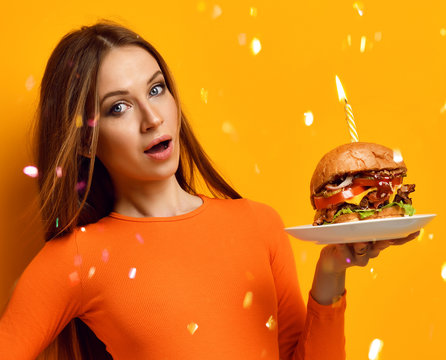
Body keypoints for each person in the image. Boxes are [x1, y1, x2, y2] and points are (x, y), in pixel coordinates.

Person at [0, 22, 419, 360]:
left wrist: (332, 272)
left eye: (156, 89)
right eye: (118, 107)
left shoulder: (258, 224)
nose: (151, 117)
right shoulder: (76, 259)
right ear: (87, 140)